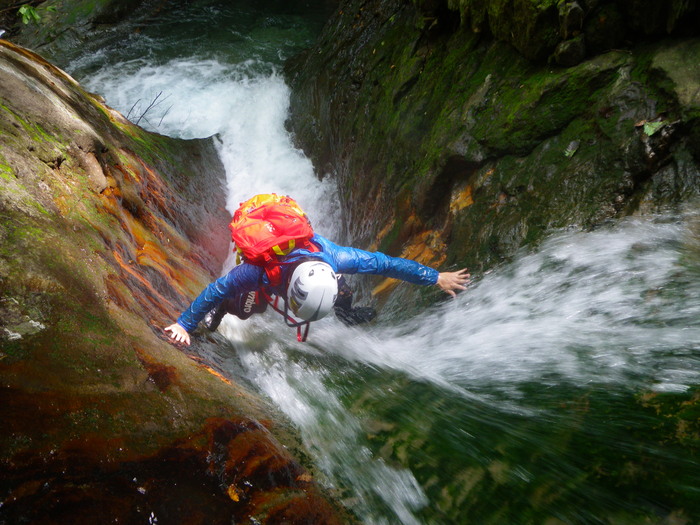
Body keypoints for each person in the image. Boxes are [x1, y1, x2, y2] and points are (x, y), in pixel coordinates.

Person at [164, 232, 470, 346]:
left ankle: (347, 313)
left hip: (311, 272)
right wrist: (184, 324)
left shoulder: (338, 259)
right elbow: (217, 288)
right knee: (247, 309)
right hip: (274, 277)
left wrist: (434, 277)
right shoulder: (258, 273)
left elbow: (387, 264)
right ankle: (222, 313)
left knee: (344, 292)